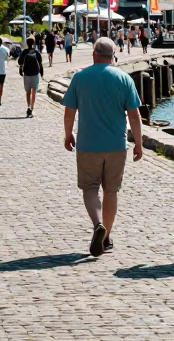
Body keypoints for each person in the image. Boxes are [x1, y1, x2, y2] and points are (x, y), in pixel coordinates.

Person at [61, 36, 142, 257]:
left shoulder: (80, 77)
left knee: (90, 189)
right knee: (111, 191)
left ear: (94, 54)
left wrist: (68, 134)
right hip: (116, 144)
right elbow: (134, 116)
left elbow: (70, 111)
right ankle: (106, 238)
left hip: (88, 144)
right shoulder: (124, 79)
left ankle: (98, 224)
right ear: (113, 56)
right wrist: (139, 143)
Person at [18, 35, 44, 118]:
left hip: (26, 74)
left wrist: (21, 69)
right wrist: (42, 73)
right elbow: (40, 63)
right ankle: (32, 108)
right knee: (34, 92)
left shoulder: (24, 52)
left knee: (28, 91)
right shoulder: (36, 52)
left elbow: (19, 62)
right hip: (35, 73)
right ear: (34, 43)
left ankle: (28, 106)